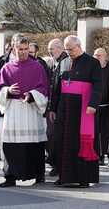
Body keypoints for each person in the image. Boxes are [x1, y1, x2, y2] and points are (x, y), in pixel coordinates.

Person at [0, 37, 49, 187]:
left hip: (31, 111)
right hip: (12, 110)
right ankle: (10, 177)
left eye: (26, 49)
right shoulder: (6, 68)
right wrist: (8, 91)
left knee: (34, 145)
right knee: (11, 145)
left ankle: (39, 175)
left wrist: (32, 95)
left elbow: (44, 89)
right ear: (14, 49)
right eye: (20, 49)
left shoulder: (37, 67)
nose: (24, 52)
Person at [49, 35, 102, 187]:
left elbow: (98, 84)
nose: (68, 52)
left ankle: (83, 178)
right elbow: (57, 87)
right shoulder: (64, 62)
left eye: (70, 49)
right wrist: (53, 108)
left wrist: (93, 104)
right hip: (63, 109)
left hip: (83, 111)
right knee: (60, 141)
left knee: (79, 143)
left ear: (79, 46)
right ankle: (63, 176)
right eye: (66, 49)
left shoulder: (92, 63)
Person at [0, 33, 24, 160]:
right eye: (17, 44)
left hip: (21, 103)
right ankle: (5, 158)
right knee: (1, 134)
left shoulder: (30, 60)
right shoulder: (2, 60)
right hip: (3, 102)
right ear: (13, 46)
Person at [46, 39, 69, 176]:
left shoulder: (65, 63)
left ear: (60, 48)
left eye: (51, 48)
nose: (49, 51)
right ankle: (54, 161)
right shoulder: (55, 62)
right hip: (54, 105)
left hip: (61, 106)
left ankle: (56, 164)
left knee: (55, 136)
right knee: (51, 135)